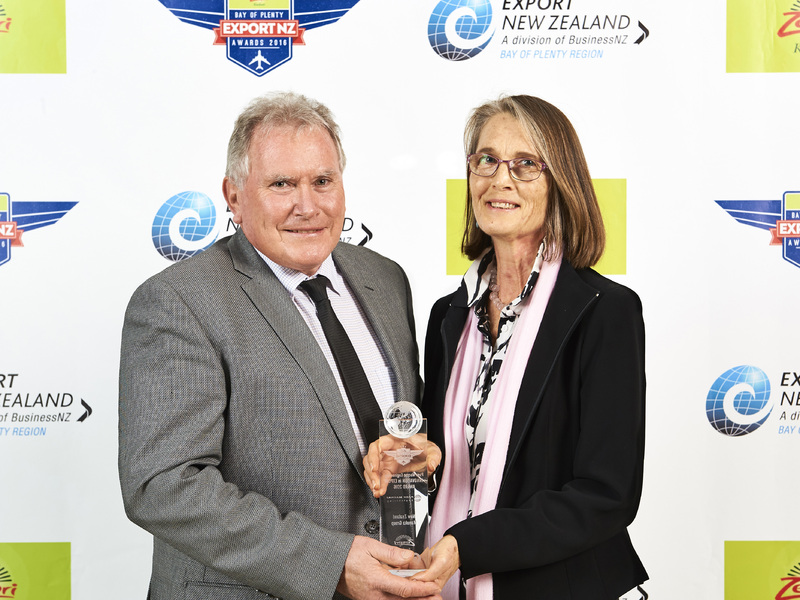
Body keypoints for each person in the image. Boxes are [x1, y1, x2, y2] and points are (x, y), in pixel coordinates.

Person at [118, 92, 442, 600]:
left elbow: (399, 428)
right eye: (282, 184)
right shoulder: (179, 301)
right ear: (233, 196)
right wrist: (330, 564)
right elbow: (163, 486)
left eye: (323, 181)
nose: (307, 206)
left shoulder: (384, 279)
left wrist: (417, 454)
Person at [365, 94, 648, 599]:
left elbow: (606, 495)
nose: (501, 179)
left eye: (525, 164)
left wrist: (468, 545)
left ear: (560, 182)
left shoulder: (604, 311)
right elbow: (463, 459)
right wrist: (416, 460)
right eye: (487, 160)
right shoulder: (450, 314)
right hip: (450, 586)